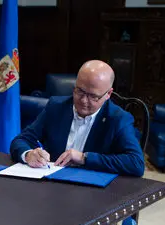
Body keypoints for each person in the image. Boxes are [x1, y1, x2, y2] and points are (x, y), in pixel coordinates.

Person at [10, 60, 144, 176]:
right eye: (80, 91)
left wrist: (84, 158)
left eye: (93, 96)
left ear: (108, 94)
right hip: (51, 185)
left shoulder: (118, 119)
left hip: (93, 192)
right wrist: (28, 155)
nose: (84, 101)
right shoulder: (56, 107)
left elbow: (136, 163)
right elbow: (21, 140)